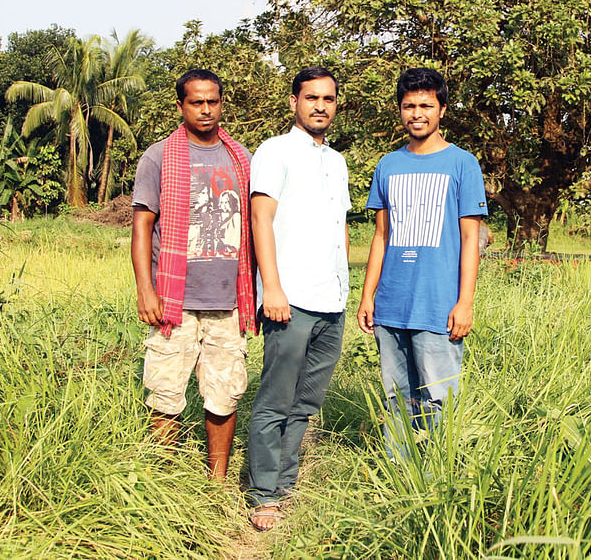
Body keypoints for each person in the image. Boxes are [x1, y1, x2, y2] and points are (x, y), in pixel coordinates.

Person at [130, 68, 256, 482]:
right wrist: (145, 290)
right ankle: (166, 483)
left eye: (212, 101)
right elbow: (143, 227)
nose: (205, 110)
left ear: (222, 103)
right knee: (165, 393)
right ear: (181, 105)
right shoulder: (158, 157)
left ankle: (216, 482)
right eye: (196, 102)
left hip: (228, 301)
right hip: (174, 300)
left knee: (224, 395)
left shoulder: (242, 158)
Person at [357, 67, 486, 456]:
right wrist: (367, 296)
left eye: (426, 105)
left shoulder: (462, 164)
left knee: (439, 400)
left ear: (442, 109)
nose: (417, 113)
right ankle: (400, 476)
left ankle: (436, 481)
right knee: (396, 400)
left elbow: (470, 239)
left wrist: (465, 302)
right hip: (392, 304)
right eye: (409, 105)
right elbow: (381, 237)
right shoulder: (388, 165)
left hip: (438, 307)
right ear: (400, 110)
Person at [247, 67, 349, 531]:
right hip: (290, 299)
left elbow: (339, 228)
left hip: (332, 300)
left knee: (306, 404)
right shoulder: (275, 152)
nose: (320, 106)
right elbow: (260, 220)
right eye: (311, 98)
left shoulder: (337, 161)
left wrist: (349, 290)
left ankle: (285, 485)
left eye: (328, 98)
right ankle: (264, 492)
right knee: (275, 401)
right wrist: (272, 287)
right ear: (294, 102)